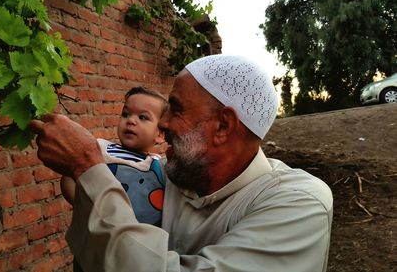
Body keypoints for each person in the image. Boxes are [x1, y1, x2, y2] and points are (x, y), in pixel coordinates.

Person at [29, 55, 333, 272]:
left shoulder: (300, 203)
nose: (161, 125)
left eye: (174, 108)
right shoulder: (169, 172)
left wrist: (87, 168)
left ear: (223, 126)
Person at [61, 86, 168, 224]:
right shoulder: (100, 149)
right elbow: (70, 176)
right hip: (105, 232)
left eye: (142, 117)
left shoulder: (159, 165)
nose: (131, 121)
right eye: (126, 114)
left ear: (160, 134)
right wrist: (86, 207)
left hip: (145, 237)